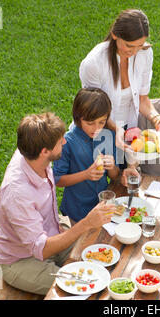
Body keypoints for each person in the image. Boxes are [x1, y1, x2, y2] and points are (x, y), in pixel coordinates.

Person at [0, 112, 115, 295]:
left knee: (102, 257)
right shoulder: (17, 194)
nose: (64, 142)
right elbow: (41, 249)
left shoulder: (33, 153)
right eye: (60, 142)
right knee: (82, 286)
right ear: (45, 151)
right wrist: (87, 222)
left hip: (51, 232)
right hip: (21, 260)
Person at [78, 8, 160, 154]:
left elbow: (142, 98)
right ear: (114, 35)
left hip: (130, 129)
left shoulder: (145, 53)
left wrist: (158, 119)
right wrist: (117, 130)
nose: (134, 52)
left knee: (125, 173)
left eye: (139, 45)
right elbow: (94, 109)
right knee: (100, 171)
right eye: (129, 45)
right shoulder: (94, 63)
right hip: (97, 128)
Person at [53, 88, 119, 225]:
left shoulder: (107, 136)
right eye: (90, 123)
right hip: (76, 212)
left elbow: (114, 176)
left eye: (102, 122)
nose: (96, 128)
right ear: (78, 118)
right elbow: (57, 180)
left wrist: (112, 167)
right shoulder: (67, 142)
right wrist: (86, 174)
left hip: (102, 207)